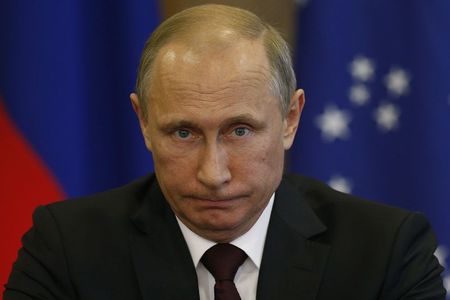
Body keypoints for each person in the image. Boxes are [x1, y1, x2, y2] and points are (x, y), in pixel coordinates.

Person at [4, 4, 445, 300]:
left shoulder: (386, 251)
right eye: (183, 133)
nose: (213, 173)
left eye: (239, 130)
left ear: (291, 118)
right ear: (142, 122)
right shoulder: (66, 249)